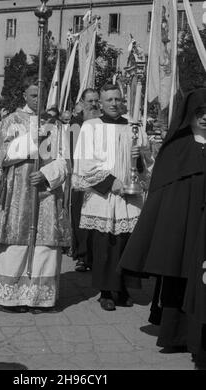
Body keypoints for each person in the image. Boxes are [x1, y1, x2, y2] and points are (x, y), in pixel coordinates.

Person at [119, 88, 206, 363]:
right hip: (183, 226)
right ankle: (177, 335)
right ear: (188, 115)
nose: (204, 118)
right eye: (199, 113)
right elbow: (163, 193)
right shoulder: (176, 147)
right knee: (180, 277)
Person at [0, 74, 71, 313]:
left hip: (45, 192)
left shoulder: (55, 124)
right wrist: (33, 141)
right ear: (24, 95)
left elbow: (65, 160)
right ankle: (9, 297)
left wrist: (47, 174)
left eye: (41, 95)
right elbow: (0, 156)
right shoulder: (10, 121)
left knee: (45, 241)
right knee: (14, 240)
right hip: (16, 192)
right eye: (33, 95)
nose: (37, 99)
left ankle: (38, 297)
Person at [72, 84, 152, 310]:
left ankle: (123, 288)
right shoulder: (91, 127)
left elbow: (148, 161)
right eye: (109, 100)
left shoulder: (134, 126)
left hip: (129, 195)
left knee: (127, 244)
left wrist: (139, 159)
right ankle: (106, 291)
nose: (114, 104)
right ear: (101, 103)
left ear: (123, 100)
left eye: (118, 99)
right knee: (105, 244)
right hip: (103, 195)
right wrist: (110, 182)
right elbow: (85, 161)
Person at [69, 88, 100, 272]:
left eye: (96, 100)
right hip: (81, 178)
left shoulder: (103, 123)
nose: (94, 104)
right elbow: (71, 153)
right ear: (82, 102)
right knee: (80, 218)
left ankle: (95, 255)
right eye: (90, 101)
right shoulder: (76, 124)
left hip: (101, 177)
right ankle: (82, 255)